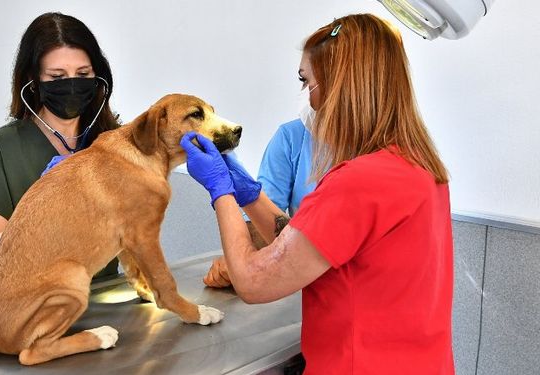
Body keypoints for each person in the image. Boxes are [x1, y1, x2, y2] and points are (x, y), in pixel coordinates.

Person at [181, 13, 454, 375]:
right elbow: (304, 245)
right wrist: (250, 195)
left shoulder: (356, 182)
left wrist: (221, 191)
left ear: (340, 85)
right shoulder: (419, 167)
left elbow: (250, 279)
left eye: (305, 81)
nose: (306, 99)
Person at [0, 12, 121, 275]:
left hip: (106, 297)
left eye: (83, 74)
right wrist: (42, 219)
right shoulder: (2, 147)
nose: (71, 85)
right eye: (57, 77)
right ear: (32, 82)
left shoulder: (113, 142)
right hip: (36, 302)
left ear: (97, 77)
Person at [203, 118, 315, 287]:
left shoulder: (362, 166)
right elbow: (265, 228)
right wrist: (243, 258)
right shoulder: (293, 137)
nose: (306, 91)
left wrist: (243, 264)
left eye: (311, 88)